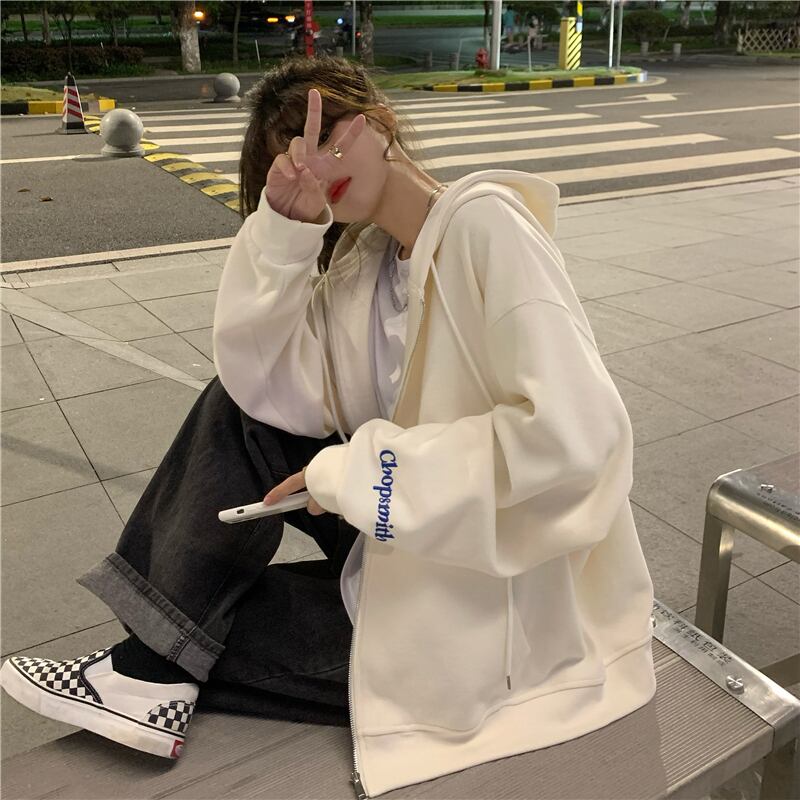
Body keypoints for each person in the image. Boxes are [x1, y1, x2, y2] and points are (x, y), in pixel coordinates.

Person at [0, 54, 657, 798]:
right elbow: (260, 386)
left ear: (379, 123)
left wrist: (353, 474)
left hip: (502, 596)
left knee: (192, 629)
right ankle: (149, 674)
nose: (314, 163)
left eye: (326, 136)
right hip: (410, 550)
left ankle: (147, 671)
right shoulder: (362, 270)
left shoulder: (486, 226)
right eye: (289, 154)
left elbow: (575, 439)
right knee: (202, 557)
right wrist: (284, 232)